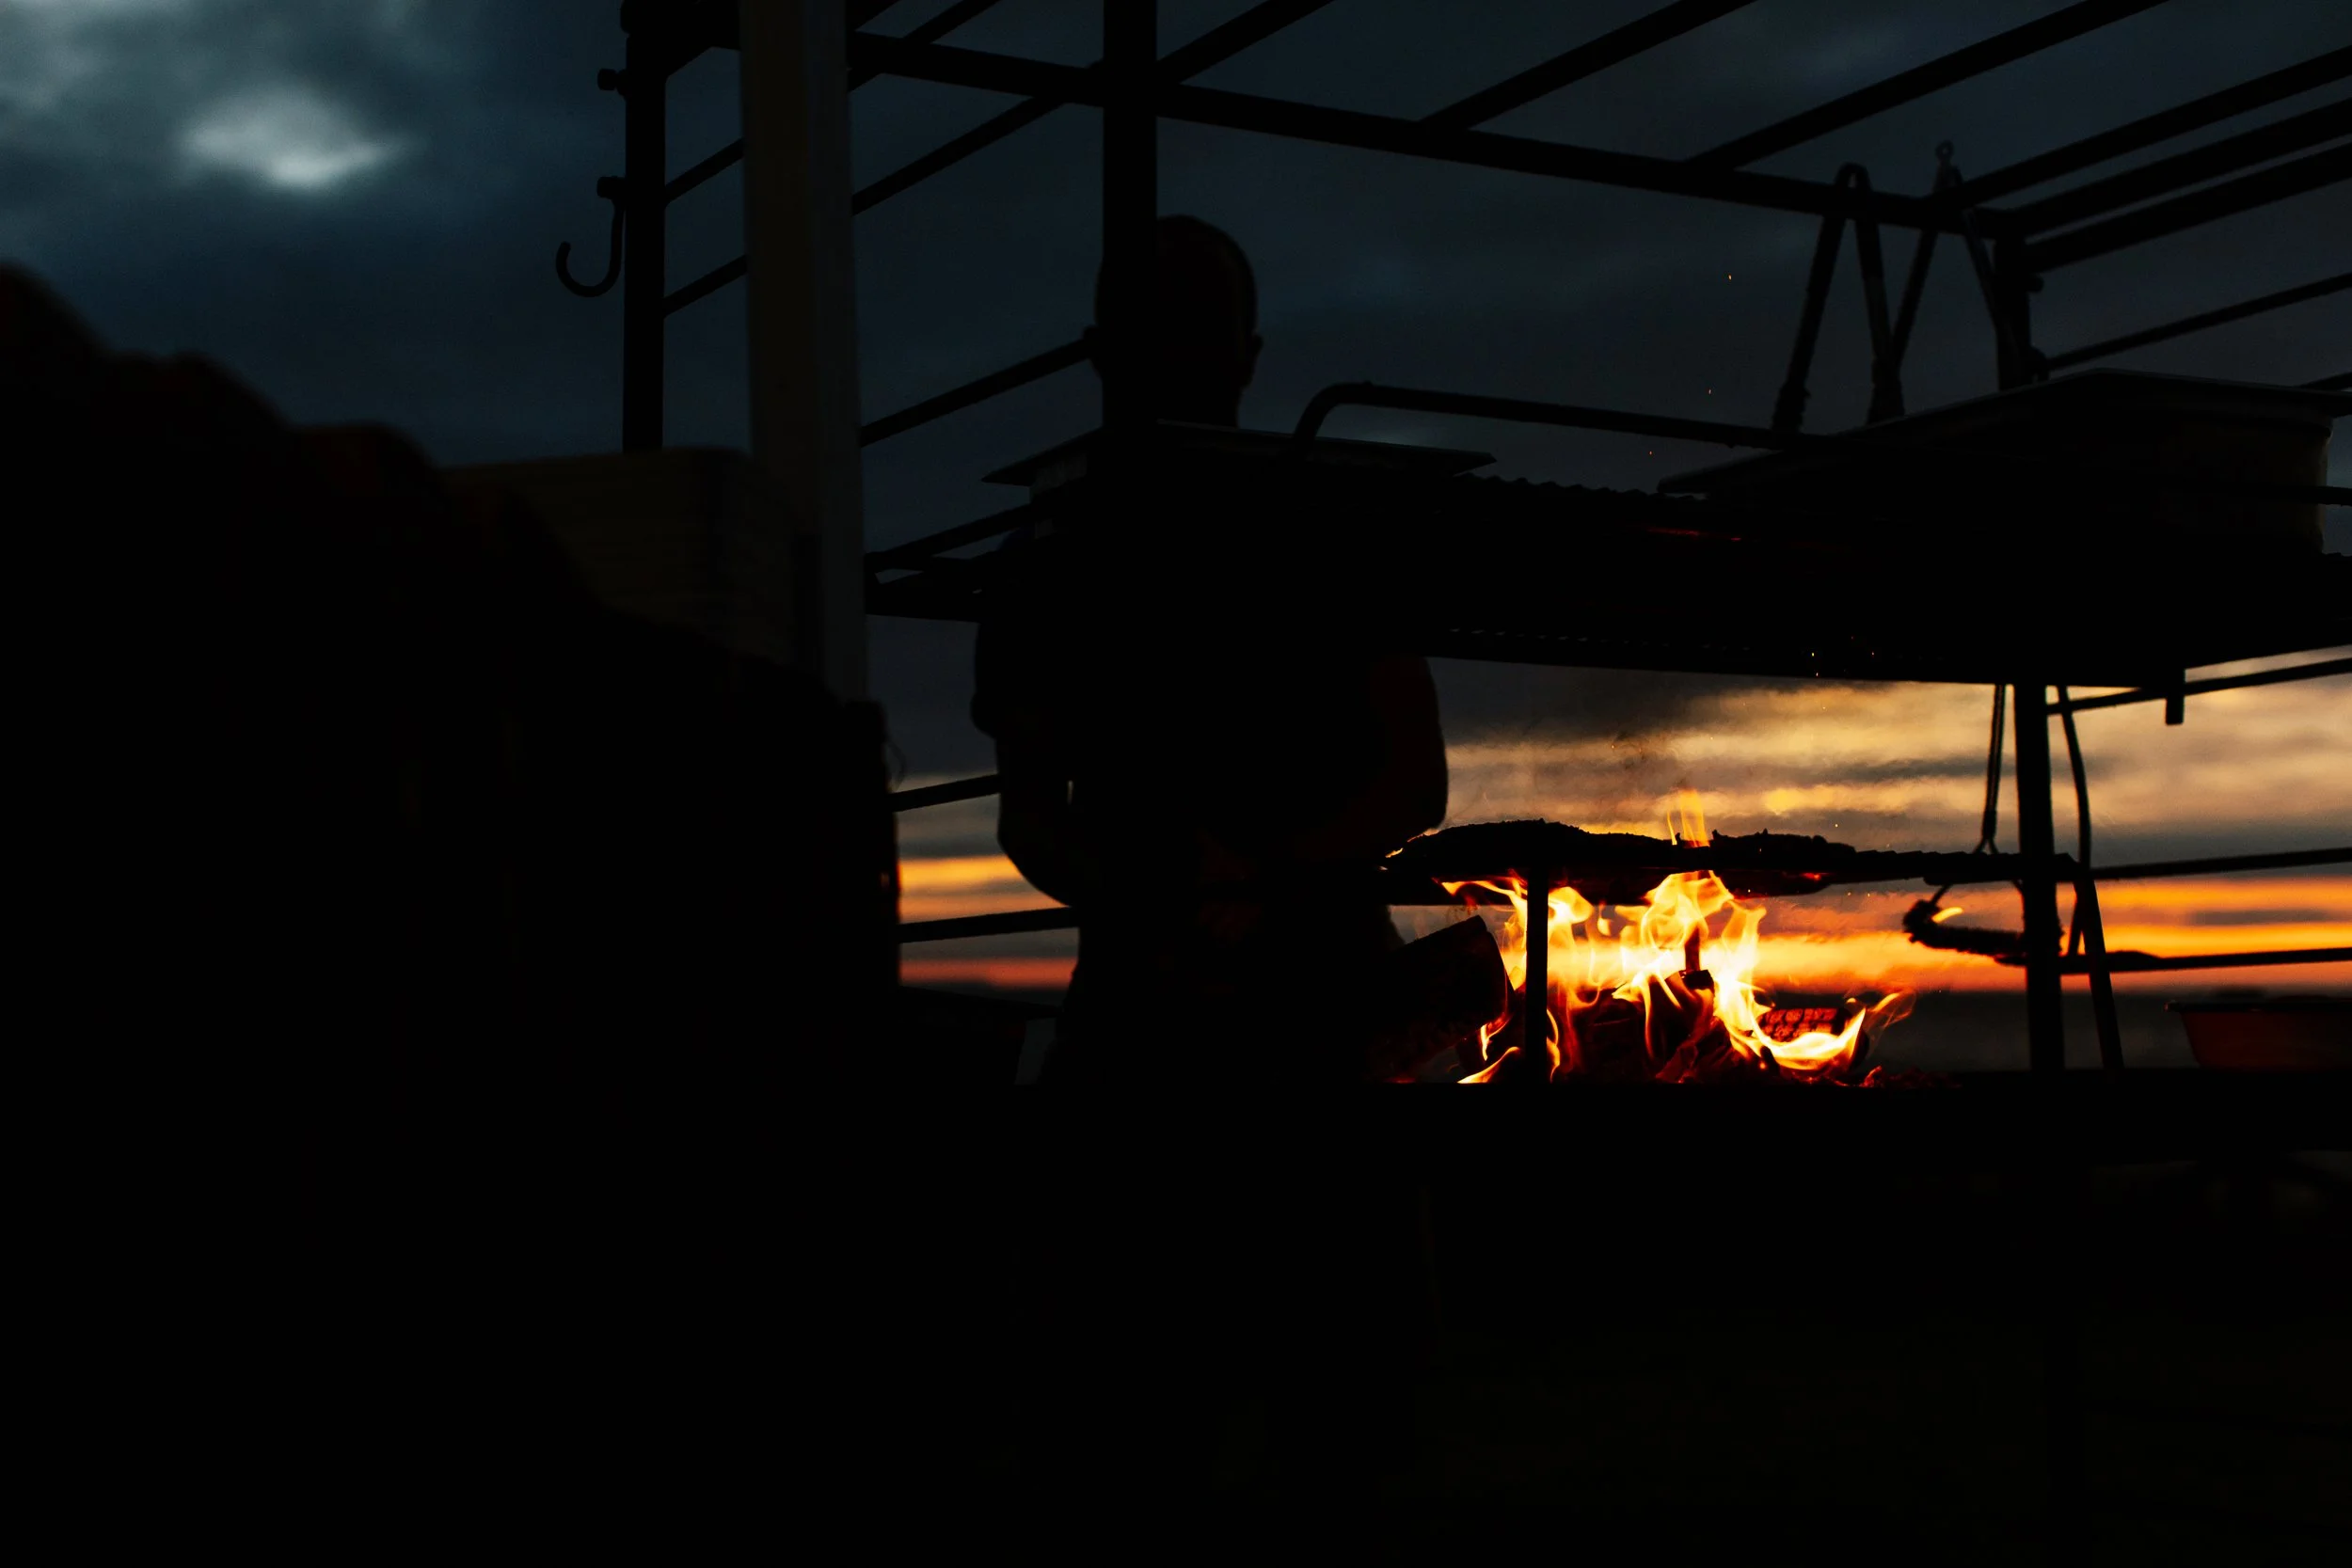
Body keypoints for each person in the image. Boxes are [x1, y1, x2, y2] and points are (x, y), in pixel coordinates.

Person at [972, 215, 1449, 1085]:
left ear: (1246, 352)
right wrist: (1170, 895)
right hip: (1151, 1013)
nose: (1177, 353)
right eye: (1156, 326)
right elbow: (1030, 819)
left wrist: (1254, 874)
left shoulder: (1336, 538)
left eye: (1198, 326)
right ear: (1103, 351)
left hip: (1326, 1008)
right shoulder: (1042, 561)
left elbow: (1417, 782)